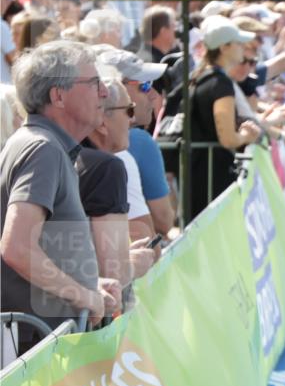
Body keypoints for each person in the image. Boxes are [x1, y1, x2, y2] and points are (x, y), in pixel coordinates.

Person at [0, 41, 119, 352]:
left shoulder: (42, 144)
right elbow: (16, 247)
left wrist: (87, 285)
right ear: (58, 96)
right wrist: (83, 295)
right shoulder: (43, 149)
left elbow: (41, 248)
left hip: (38, 341)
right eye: (94, 82)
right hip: (35, 348)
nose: (104, 92)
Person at [77, 78, 156, 287]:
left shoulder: (60, 152)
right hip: (79, 301)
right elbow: (115, 272)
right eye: (129, 110)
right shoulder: (107, 167)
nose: (132, 119)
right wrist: (134, 265)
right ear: (103, 122)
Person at [188, 14, 261, 217]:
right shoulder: (220, 83)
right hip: (213, 176)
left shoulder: (201, 76)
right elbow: (228, 139)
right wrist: (247, 135)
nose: (243, 47)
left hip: (200, 172)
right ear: (224, 47)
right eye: (238, 43)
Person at [98, 48, 176, 236]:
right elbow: (164, 221)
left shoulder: (76, 136)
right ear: (116, 88)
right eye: (145, 86)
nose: (153, 95)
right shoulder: (139, 142)